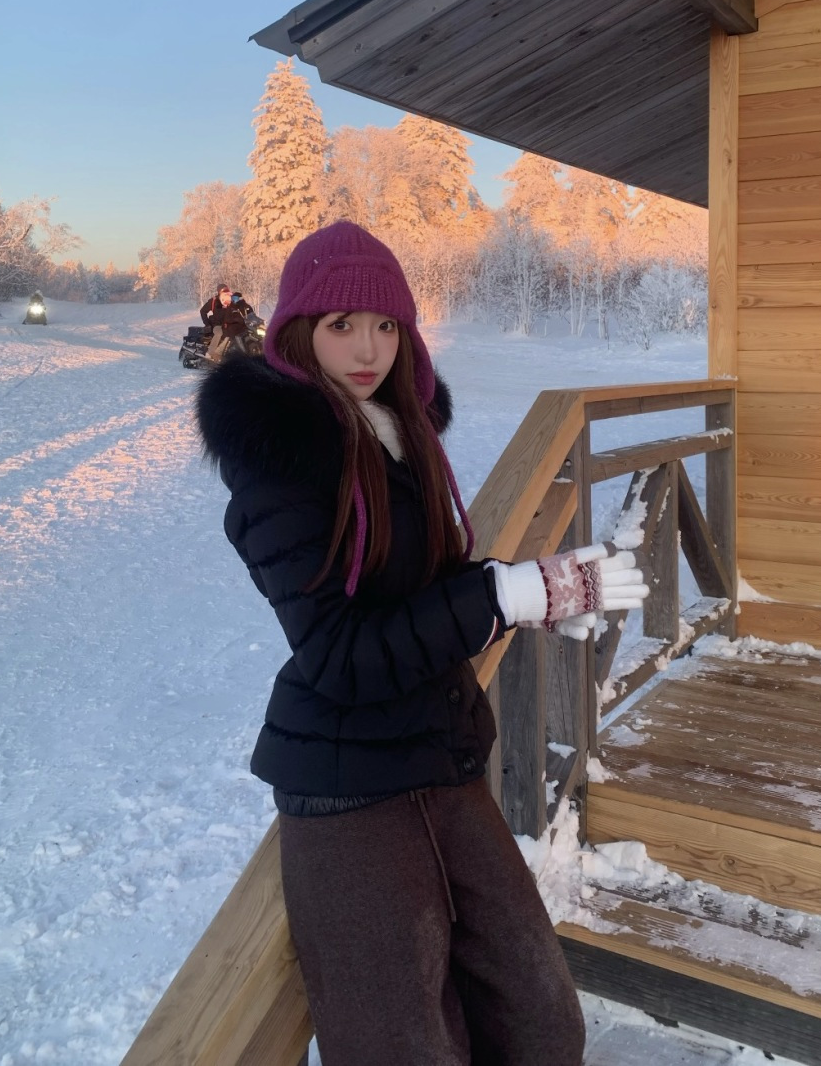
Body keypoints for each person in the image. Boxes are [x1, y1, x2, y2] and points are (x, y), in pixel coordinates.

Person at [195, 222, 647, 1066]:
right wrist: (500, 597)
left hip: (439, 753)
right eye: (342, 325)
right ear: (298, 331)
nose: (368, 348)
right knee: (405, 1047)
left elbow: (421, 587)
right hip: (347, 789)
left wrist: (525, 595)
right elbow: (339, 654)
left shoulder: (398, 434)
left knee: (542, 1019)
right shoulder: (279, 468)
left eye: (387, 325)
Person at [199, 284, 250, 361]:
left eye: (227, 289)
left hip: (228, 324)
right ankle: (210, 353)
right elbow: (203, 311)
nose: (226, 292)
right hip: (217, 325)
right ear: (219, 291)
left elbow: (240, 306)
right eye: (223, 290)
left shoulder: (231, 300)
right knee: (219, 333)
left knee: (235, 334)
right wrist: (207, 323)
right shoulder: (214, 301)